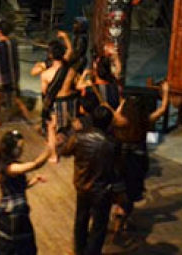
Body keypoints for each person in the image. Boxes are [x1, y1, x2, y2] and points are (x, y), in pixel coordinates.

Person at [110, 81, 169, 233]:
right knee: (131, 191)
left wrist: (123, 101)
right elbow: (162, 109)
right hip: (137, 160)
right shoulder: (144, 121)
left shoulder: (120, 121)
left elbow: (116, 112)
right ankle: (122, 221)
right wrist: (166, 93)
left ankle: (116, 211)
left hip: (120, 160)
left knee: (119, 188)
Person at [0, 130, 51, 255]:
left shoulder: (8, 165)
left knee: (14, 248)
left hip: (13, 214)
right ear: (10, 149)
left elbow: (18, 187)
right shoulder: (9, 167)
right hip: (13, 216)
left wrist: (34, 180)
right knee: (19, 248)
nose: (21, 150)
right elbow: (35, 164)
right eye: (19, 147)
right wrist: (50, 149)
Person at [60, 106, 117, 255]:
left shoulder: (80, 137)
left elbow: (64, 151)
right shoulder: (112, 144)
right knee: (98, 226)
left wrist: (76, 132)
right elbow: (117, 168)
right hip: (102, 190)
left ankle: (79, 250)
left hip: (82, 186)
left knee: (81, 220)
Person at [39, 40, 78, 162]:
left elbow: (45, 92)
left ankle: (54, 155)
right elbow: (76, 85)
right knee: (71, 127)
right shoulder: (71, 71)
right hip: (70, 101)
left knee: (52, 128)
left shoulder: (46, 74)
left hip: (57, 102)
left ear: (51, 55)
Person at [0, 20, 31, 128]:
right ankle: (30, 119)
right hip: (14, 75)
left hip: (1, 77)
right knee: (17, 98)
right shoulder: (14, 42)